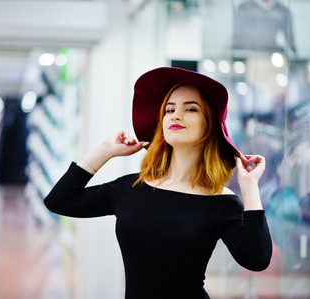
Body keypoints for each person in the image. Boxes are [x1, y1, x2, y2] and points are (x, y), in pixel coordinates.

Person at [44, 67, 272, 299]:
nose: (175, 115)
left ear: (209, 124)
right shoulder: (131, 188)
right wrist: (105, 151)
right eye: (169, 109)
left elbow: (257, 260)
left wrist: (250, 186)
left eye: (190, 109)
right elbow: (59, 201)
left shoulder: (221, 202)